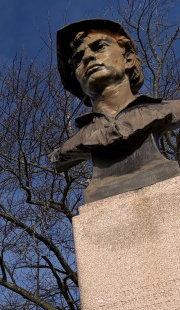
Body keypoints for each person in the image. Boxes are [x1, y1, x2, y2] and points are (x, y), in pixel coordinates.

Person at [49, 18, 180, 202]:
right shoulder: (72, 145)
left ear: (128, 59)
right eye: (78, 58)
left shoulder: (168, 109)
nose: (87, 57)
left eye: (99, 47)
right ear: (77, 79)